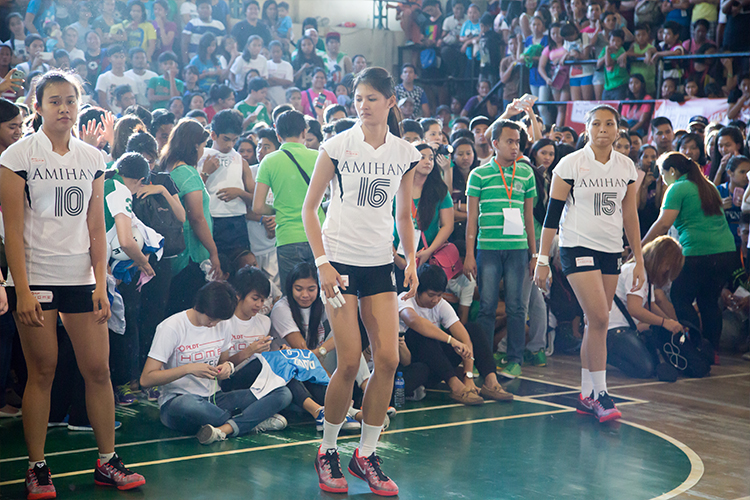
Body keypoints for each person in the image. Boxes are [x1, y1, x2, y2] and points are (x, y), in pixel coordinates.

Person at [0, 71, 146, 499]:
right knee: (41, 370)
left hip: (82, 278)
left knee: (98, 370)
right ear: (38, 106)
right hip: (36, 278)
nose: (64, 108)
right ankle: (37, 467)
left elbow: (96, 228)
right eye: (55, 101)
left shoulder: (93, 158)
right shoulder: (17, 156)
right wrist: (20, 289)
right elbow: (10, 228)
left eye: (71, 101)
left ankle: (107, 461)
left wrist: (101, 284)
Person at [301, 67, 421, 496]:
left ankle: (366, 454)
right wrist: (322, 263)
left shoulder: (406, 152)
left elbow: (404, 215)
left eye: (372, 98)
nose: (363, 104)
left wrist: (409, 257)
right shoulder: (336, 146)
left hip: (379, 266)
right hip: (338, 264)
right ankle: (328, 449)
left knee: (388, 359)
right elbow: (309, 209)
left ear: (391, 102)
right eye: (359, 97)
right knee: (349, 361)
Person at [534, 104, 645, 423]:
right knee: (599, 316)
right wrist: (542, 259)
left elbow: (630, 215)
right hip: (576, 246)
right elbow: (551, 218)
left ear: (618, 128)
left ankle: (586, 394)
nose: (603, 129)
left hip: (611, 250)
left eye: (609, 124)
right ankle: (601, 393)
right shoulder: (570, 164)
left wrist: (638, 259)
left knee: (596, 322)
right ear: (587, 128)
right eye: (596, 123)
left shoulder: (626, 167)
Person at [140, 281, 291, 444]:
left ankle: (226, 428)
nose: (213, 325)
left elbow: (224, 362)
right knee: (187, 404)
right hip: (178, 401)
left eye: (217, 321)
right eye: (211, 319)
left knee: (282, 393)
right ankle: (250, 422)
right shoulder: (171, 327)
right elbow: (147, 379)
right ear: (199, 305)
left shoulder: (222, 324)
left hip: (215, 399)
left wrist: (227, 367)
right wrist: (188, 369)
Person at [642, 152, 738, 359]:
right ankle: (711, 352)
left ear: (673, 171)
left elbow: (663, 224)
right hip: (726, 252)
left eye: (663, 173)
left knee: (680, 297)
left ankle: (694, 347)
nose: (662, 179)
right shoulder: (708, 186)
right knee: (709, 302)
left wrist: (640, 247)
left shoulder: (677, 188)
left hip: (698, 253)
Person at [464, 119, 537, 379]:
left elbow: (529, 218)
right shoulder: (479, 174)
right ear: (494, 144)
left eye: (517, 142)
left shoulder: (526, 173)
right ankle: (484, 359)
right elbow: (472, 218)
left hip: (518, 249)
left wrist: (535, 254)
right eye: (509, 141)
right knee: (486, 306)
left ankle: (515, 359)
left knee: (517, 307)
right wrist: (470, 254)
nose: (515, 146)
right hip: (488, 248)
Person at [399, 263, 513, 404]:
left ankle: (490, 381)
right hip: (413, 364)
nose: (435, 300)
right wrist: (451, 340)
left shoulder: (440, 304)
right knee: (422, 335)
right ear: (417, 289)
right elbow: (414, 321)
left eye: (439, 295)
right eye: (431, 295)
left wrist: (468, 376)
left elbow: (464, 337)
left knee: (473, 330)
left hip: (437, 364)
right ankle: (456, 387)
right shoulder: (405, 299)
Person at [254, 110, 325, 287]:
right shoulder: (318, 157)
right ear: (304, 132)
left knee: (294, 296)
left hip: (288, 237)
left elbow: (257, 206)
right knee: (322, 292)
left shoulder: (269, 161)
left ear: (278, 135)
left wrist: (278, 207)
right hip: (320, 234)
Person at [159, 118, 222, 316]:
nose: (203, 151)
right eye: (203, 146)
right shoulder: (188, 173)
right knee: (189, 313)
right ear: (195, 146)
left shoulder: (168, 168)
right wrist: (213, 252)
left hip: (172, 253)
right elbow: (196, 218)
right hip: (190, 255)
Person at [607, 236, 685, 378]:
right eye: (667, 265)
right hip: (614, 330)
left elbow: (650, 305)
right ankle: (603, 353)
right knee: (646, 369)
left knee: (651, 366)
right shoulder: (636, 272)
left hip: (623, 329)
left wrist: (671, 323)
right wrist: (665, 322)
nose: (667, 269)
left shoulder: (644, 275)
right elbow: (635, 309)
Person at [197, 109, 253, 256]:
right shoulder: (201, 157)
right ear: (213, 135)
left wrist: (240, 192)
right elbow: (192, 194)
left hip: (237, 221)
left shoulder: (241, 161)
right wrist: (205, 173)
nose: (230, 145)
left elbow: (255, 198)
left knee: (240, 265)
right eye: (226, 139)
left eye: (235, 140)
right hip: (211, 219)